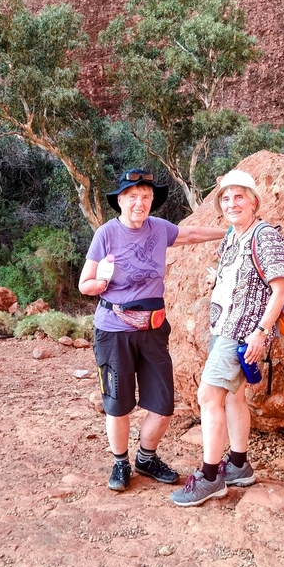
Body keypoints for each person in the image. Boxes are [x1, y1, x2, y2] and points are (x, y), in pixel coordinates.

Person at [80, 169, 226, 492]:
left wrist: (229, 231)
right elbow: (84, 284)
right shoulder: (105, 234)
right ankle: (120, 462)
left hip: (153, 329)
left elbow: (189, 235)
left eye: (145, 197)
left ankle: (146, 458)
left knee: (162, 405)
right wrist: (100, 283)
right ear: (120, 200)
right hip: (113, 330)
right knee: (117, 404)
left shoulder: (159, 229)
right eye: (133, 197)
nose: (140, 203)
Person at [171, 169, 284, 506]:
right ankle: (238, 465)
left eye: (239, 196)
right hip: (222, 328)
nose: (231, 203)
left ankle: (211, 478)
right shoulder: (233, 236)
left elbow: (280, 289)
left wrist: (261, 333)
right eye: (225, 198)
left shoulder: (264, 235)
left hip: (240, 332)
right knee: (233, 398)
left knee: (209, 396)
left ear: (253, 201)